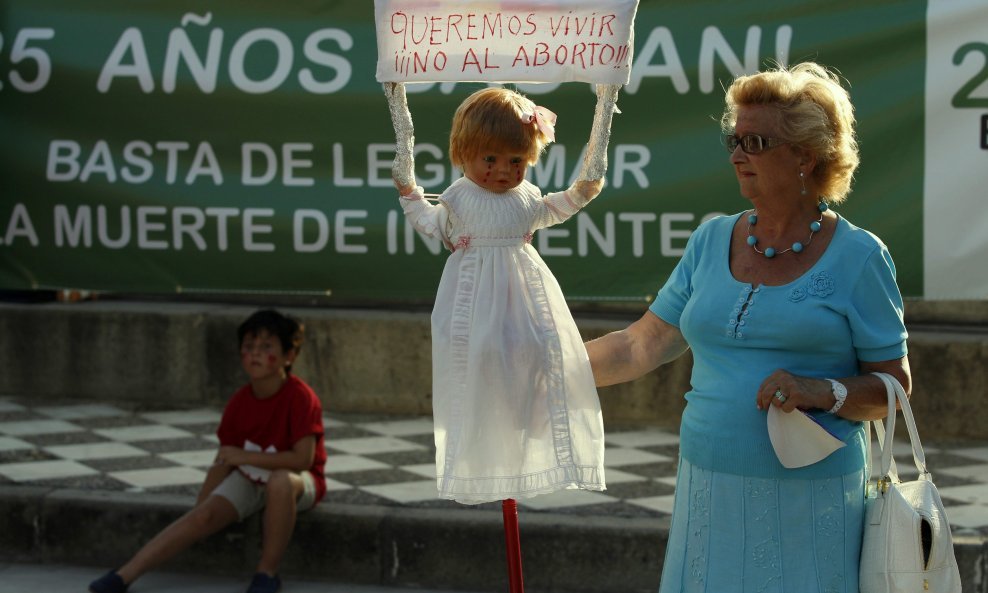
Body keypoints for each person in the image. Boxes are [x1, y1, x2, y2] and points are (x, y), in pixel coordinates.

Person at [585, 62, 910, 592]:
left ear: (805, 156)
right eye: (732, 139)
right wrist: (546, 366)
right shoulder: (711, 239)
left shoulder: (860, 256)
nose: (737, 154)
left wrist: (818, 391)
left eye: (755, 142)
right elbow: (640, 345)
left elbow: (894, 389)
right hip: (707, 489)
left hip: (813, 499)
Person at [383, 83, 622, 504]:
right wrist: (407, 182)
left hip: (526, 293)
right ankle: (488, 441)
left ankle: (533, 431)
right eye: (488, 159)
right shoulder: (458, 198)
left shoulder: (528, 198)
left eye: (515, 160)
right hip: (473, 296)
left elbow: (575, 197)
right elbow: (426, 218)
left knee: (539, 352)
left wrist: (604, 110)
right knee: (481, 357)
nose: (501, 170)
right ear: (463, 154)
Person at [89, 309, 327, 593]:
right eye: (249, 347)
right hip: (250, 477)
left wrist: (245, 457)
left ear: (289, 356)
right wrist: (203, 507)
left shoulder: (300, 397)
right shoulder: (240, 401)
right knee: (203, 515)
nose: (255, 354)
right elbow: (225, 459)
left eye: (266, 347)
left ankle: (267, 573)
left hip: (298, 480)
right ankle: (125, 575)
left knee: (279, 481)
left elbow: (303, 459)